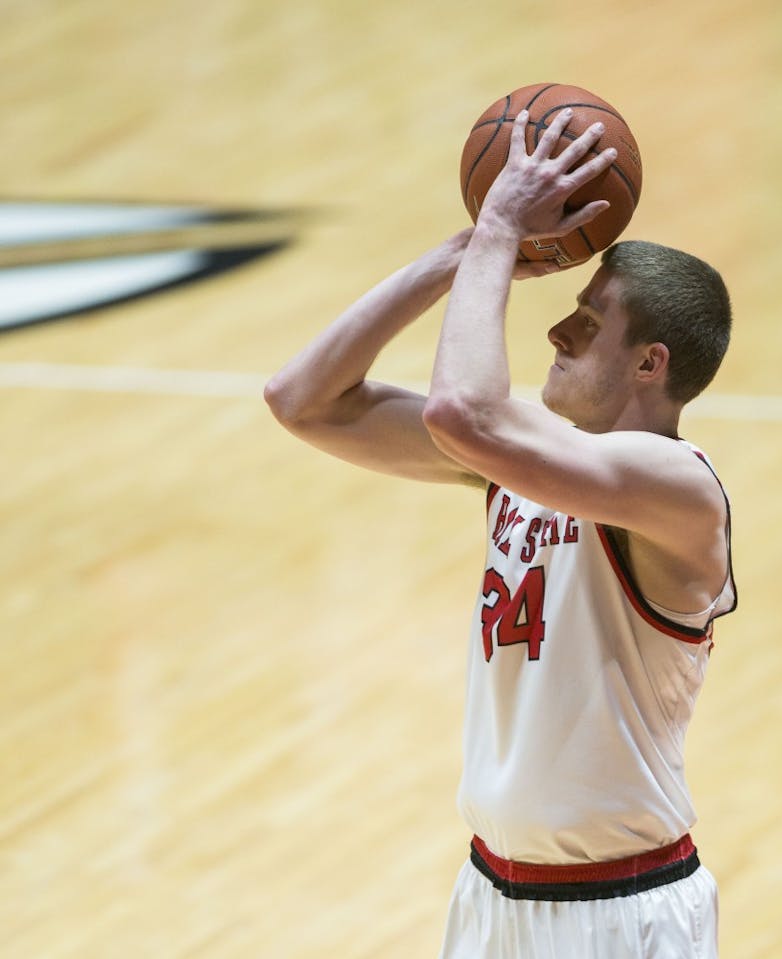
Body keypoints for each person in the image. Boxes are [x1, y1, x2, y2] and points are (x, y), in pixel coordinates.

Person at [264, 108, 737, 959]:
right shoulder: (518, 459)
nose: (557, 329)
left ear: (649, 364)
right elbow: (302, 399)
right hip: (491, 894)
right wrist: (457, 256)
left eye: (589, 320)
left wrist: (500, 233)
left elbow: (460, 411)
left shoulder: (680, 488)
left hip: (621, 911)